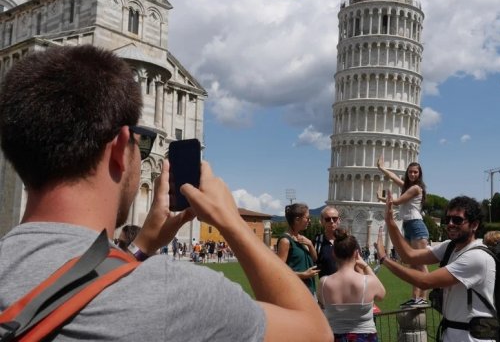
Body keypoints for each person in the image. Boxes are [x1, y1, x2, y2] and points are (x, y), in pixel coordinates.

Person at [0, 45, 332, 342]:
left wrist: (142, 247)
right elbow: (314, 333)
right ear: (119, 149)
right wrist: (232, 222)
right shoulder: (176, 296)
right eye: (141, 141)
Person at [375, 194, 496, 342]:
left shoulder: (477, 257)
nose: (450, 224)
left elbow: (425, 281)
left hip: (471, 338)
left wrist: (384, 260)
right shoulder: (450, 247)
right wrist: (391, 223)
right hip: (452, 333)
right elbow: (409, 255)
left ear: (474, 225)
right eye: (448, 219)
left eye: (457, 220)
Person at [376, 157, 429, 307]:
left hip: (416, 225)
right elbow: (393, 177)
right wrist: (382, 168)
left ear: (419, 174)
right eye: (411, 172)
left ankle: (423, 297)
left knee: (420, 263)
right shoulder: (408, 187)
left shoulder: (415, 188)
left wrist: (383, 198)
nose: (413, 174)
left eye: (415, 172)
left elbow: (398, 201)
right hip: (409, 225)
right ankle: (415, 297)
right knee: (413, 264)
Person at [318, 228, 386, 342]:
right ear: (356, 253)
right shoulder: (368, 281)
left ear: (334, 253)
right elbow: (381, 295)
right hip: (365, 337)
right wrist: (365, 266)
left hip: (335, 337)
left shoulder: (324, 282)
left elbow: (322, 304)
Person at [276, 203, 320, 295]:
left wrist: (310, 245)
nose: (309, 221)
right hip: (295, 293)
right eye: (307, 218)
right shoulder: (285, 241)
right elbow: (279, 272)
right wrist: (303, 275)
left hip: (309, 291)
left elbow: (315, 259)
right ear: (297, 219)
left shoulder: (302, 239)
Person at [313, 206, 341, 277]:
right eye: (328, 219)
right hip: (326, 286)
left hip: (346, 286)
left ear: (339, 220)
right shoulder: (317, 241)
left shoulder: (348, 241)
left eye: (334, 218)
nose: (331, 221)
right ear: (322, 222)